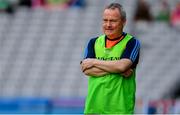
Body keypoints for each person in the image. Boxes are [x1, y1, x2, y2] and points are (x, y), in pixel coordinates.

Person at [80, 3, 140, 114]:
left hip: (120, 110)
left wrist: (94, 61)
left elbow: (122, 66)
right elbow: (86, 69)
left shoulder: (132, 42)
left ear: (123, 22)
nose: (108, 24)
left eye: (113, 21)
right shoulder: (93, 42)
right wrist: (116, 69)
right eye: (105, 20)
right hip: (94, 109)